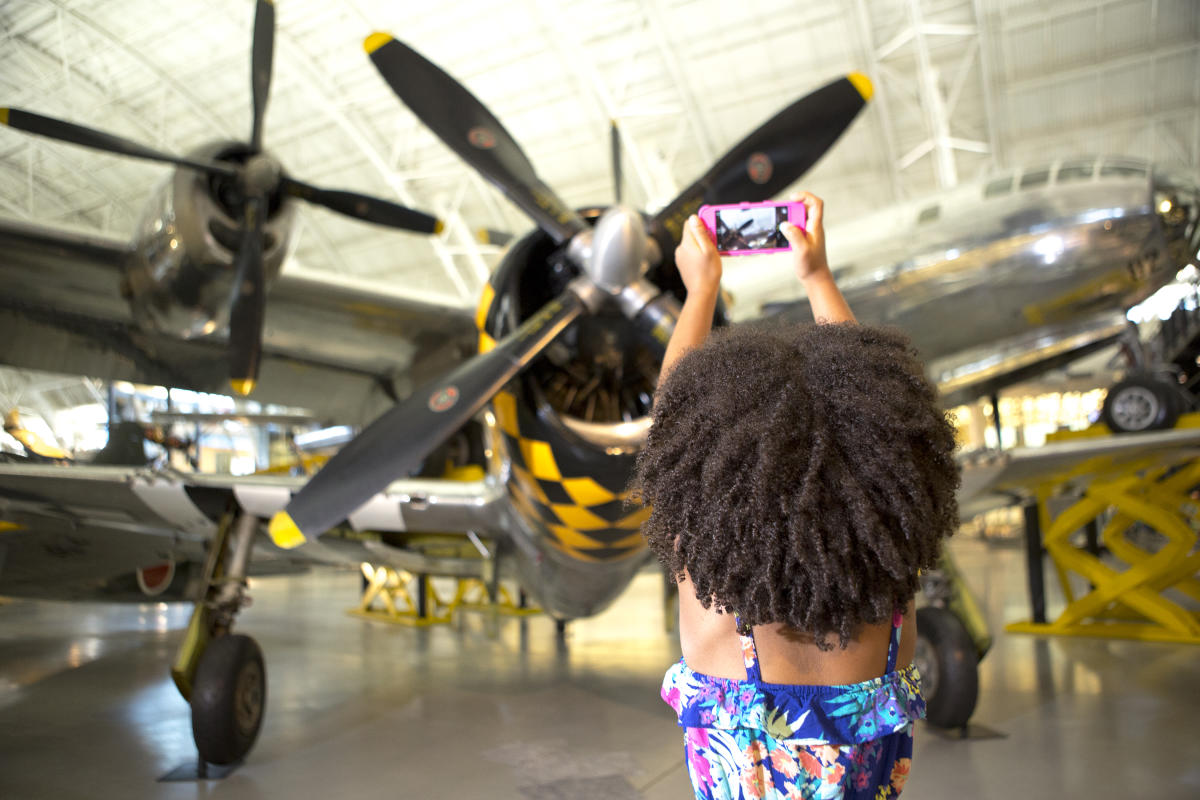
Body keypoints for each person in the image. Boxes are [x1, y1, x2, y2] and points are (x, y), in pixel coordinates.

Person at [634, 192, 960, 799]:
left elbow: (671, 423)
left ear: (715, 476)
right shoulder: (890, 584)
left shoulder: (713, 608)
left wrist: (700, 290)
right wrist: (817, 277)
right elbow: (885, 428)